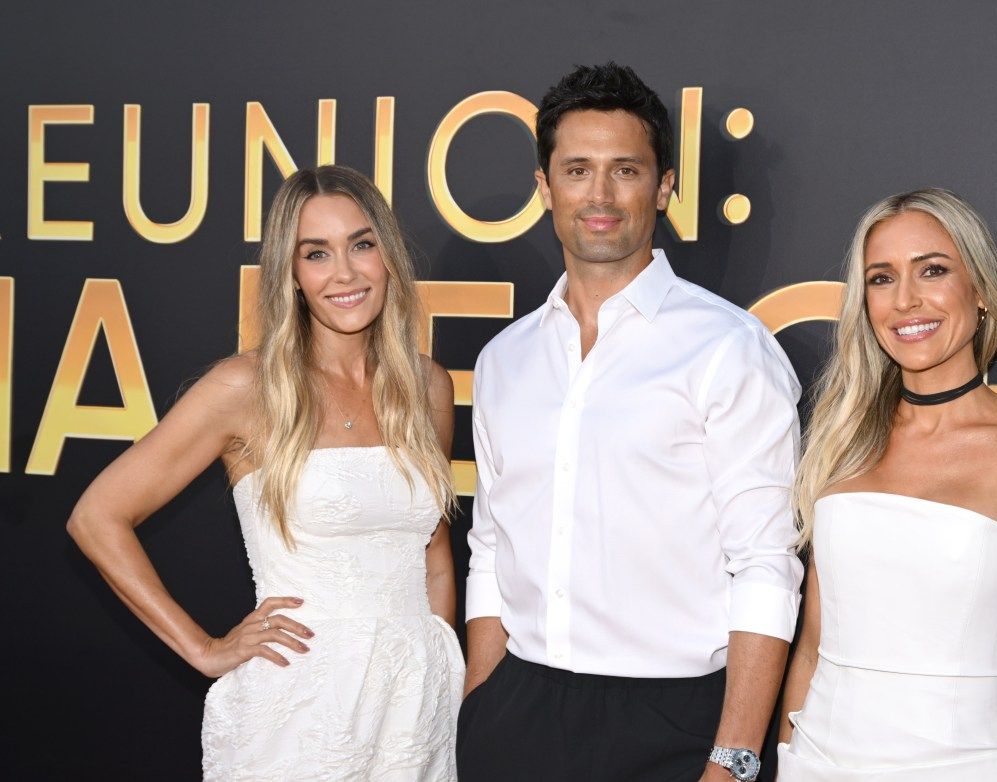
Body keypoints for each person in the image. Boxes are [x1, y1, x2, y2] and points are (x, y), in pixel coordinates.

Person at [456, 62, 804, 782]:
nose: (600, 195)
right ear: (545, 187)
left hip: (673, 723)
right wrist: (480, 703)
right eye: (577, 171)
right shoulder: (504, 361)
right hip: (516, 712)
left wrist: (734, 760)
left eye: (626, 170)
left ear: (664, 186)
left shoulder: (728, 349)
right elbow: (490, 548)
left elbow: (766, 566)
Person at [67, 165, 464, 781]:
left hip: (414, 706)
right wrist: (203, 648)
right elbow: (97, 518)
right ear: (291, 273)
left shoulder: (427, 386)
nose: (345, 273)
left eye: (361, 244)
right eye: (316, 253)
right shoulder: (246, 388)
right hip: (300, 706)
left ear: (388, 255)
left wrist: (440, 664)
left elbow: (433, 552)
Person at [776, 188, 997, 780]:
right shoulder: (841, 446)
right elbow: (812, 648)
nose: (905, 300)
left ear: (979, 289)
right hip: (817, 766)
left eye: (932, 270)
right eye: (882, 279)